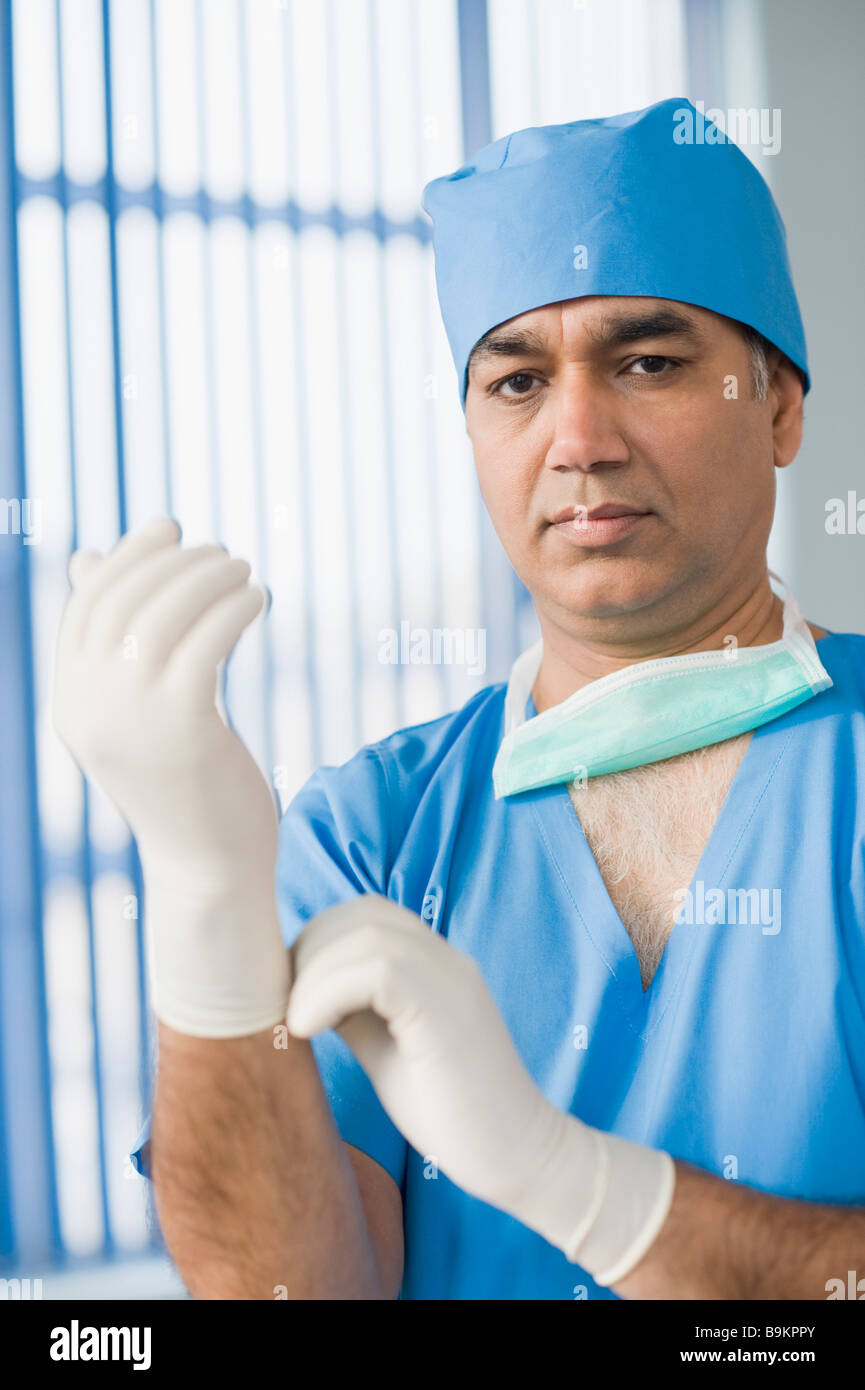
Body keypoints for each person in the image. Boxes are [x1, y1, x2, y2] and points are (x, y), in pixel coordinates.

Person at [52, 97, 865, 1300]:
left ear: (781, 406)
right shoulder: (368, 836)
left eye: (648, 362)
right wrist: (200, 897)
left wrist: (574, 1182)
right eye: (518, 382)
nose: (578, 438)